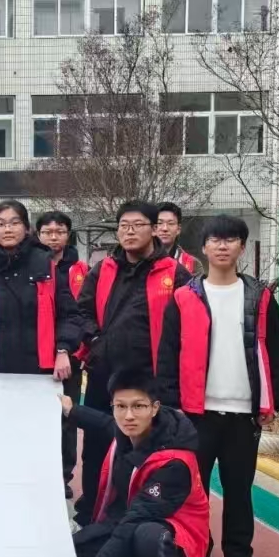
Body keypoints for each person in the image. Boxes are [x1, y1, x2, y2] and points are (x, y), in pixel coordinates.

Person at [156, 215, 279, 557]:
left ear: (242, 247)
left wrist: (274, 401)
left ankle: (238, 554)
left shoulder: (260, 297)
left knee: (239, 486)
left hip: (244, 412)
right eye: (215, 239)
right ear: (204, 247)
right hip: (196, 412)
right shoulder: (184, 297)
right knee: (193, 487)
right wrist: (171, 404)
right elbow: (167, 354)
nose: (222, 246)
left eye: (231, 240)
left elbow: (277, 350)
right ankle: (196, 550)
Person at [66, 369, 209, 557]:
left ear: (154, 408)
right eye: (121, 406)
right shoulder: (127, 432)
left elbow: (137, 518)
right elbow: (104, 423)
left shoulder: (174, 462)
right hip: (127, 524)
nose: (128, 416)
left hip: (177, 537)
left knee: (149, 534)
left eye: (138, 406)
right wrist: (70, 409)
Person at [75, 202, 192, 524]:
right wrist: (95, 342)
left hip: (150, 380)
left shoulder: (174, 273)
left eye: (138, 225)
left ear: (154, 229)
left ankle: (141, 519)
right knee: (97, 446)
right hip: (104, 376)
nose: (129, 231)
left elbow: (186, 327)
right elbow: (81, 311)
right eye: (124, 225)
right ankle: (91, 515)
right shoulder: (103, 269)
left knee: (147, 452)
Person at [0, 200, 81, 382]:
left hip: (41, 371)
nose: (8, 229)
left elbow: (69, 315)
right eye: (1, 224)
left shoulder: (44, 264)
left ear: (26, 228)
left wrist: (63, 350)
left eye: (14, 223)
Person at [36, 210, 90, 498]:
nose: (53, 237)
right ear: (38, 234)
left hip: (71, 356)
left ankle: (63, 476)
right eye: (47, 232)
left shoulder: (81, 270)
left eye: (59, 232)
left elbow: (85, 312)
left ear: (68, 236)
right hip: (36, 357)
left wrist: (74, 350)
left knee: (66, 418)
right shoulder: (32, 265)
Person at [157, 203, 201, 274]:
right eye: (159, 223)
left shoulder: (193, 264)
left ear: (178, 229)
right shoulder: (140, 261)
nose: (165, 228)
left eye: (170, 223)